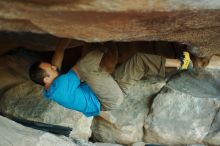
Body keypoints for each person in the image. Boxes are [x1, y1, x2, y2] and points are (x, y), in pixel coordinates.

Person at [29, 39, 193, 117]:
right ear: (45, 79)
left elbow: (58, 56)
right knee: (86, 66)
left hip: (112, 92)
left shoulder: (51, 89)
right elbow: (81, 68)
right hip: (107, 98)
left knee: (139, 60)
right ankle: (104, 45)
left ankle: (181, 63)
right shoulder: (60, 87)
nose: (52, 66)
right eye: (49, 68)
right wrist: (98, 42)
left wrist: (64, 39)